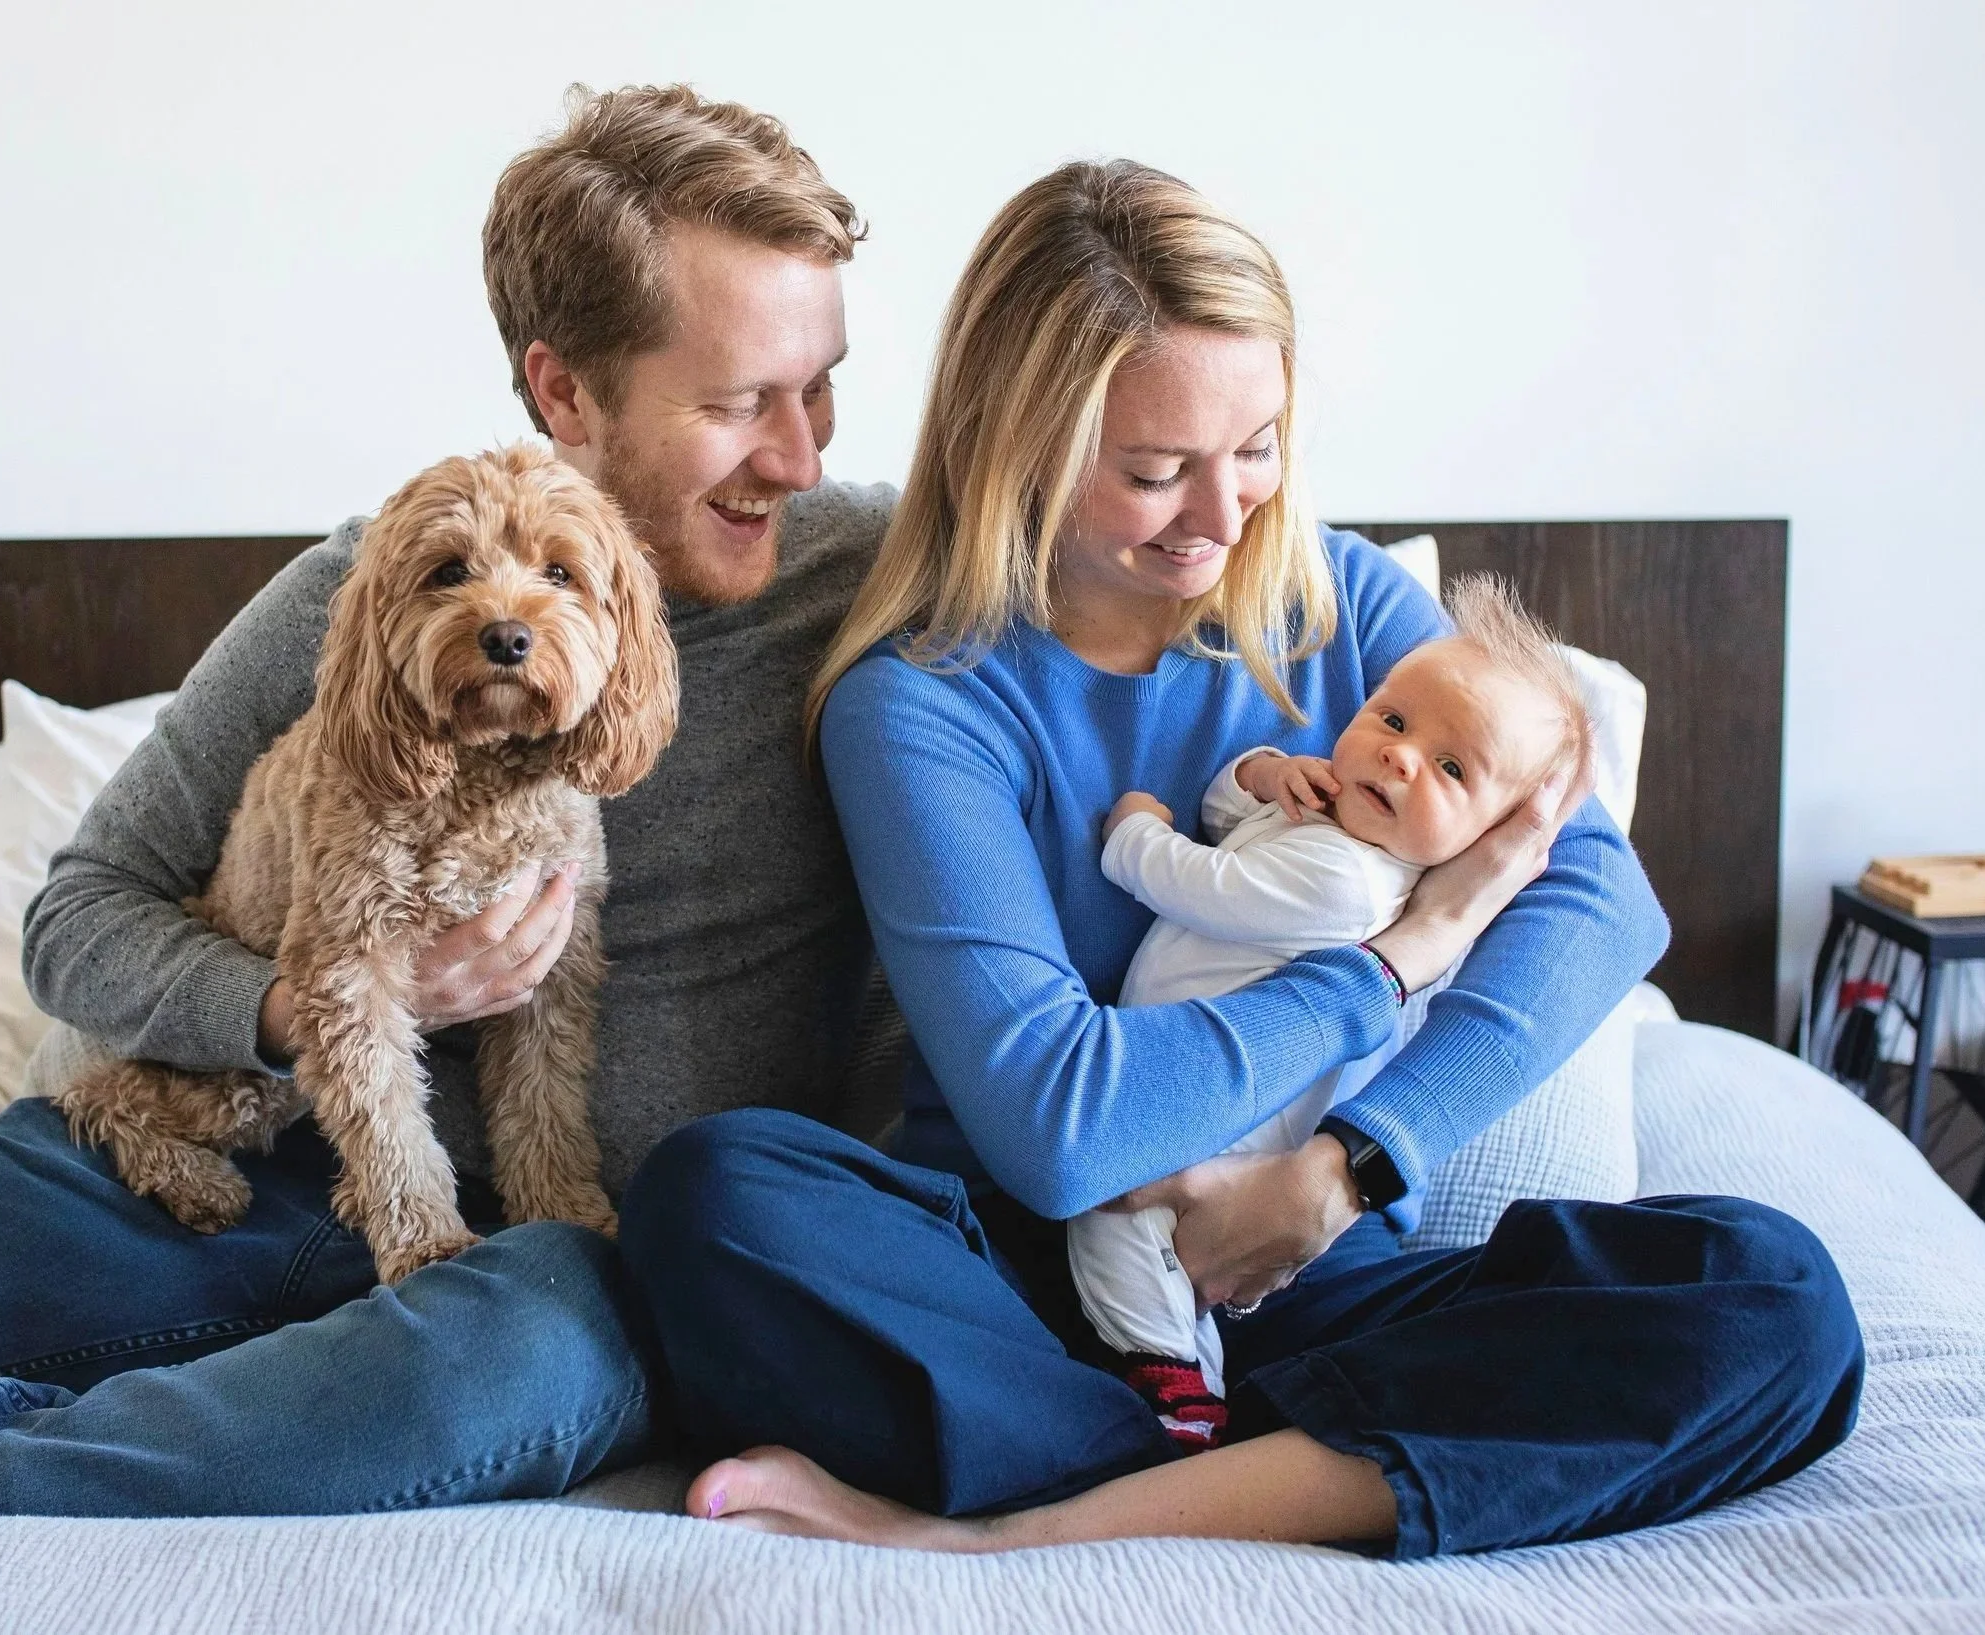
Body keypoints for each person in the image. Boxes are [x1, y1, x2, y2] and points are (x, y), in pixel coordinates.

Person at [0, 82, 891, 1542]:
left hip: (538, 1259)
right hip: (231, 1150)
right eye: (742, 402)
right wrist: (315, 1008)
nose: (799, 456)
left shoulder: (872, 578)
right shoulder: (360, 598)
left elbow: (1147, 555)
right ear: (563, 393)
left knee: (514, 1370)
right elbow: (75, 918)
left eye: (822, 387)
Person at [616, 159, 1863, 1557]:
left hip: (1300, 1266)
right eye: (1154, 472)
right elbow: (1056, 1123)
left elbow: (1592, 894)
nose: (1221, 517)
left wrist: (1344, 1168)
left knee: (1773, 1295)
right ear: (1018, 443)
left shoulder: (1332, 602)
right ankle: (1259, 1459)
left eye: (1256, 445)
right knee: (712, 1196)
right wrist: (1400, 957)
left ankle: (1034, 1509)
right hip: (1022, 1278)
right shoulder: (923, 701)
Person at [1068, 573, 1596, 1447]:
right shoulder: (1336, 825)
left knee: (1120, 1221)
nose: (1398, 755)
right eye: (1391, 719)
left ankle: (1173, 1390)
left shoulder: (1348, 880)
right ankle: (1184, 1376)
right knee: (1135, 1238)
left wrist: (1132, 831)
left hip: (1219, 1117)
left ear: (1488, 843)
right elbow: (1228, 816)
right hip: (1191, 1081)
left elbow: (1207, 879)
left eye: (1452, 769)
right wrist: (1266, 773)